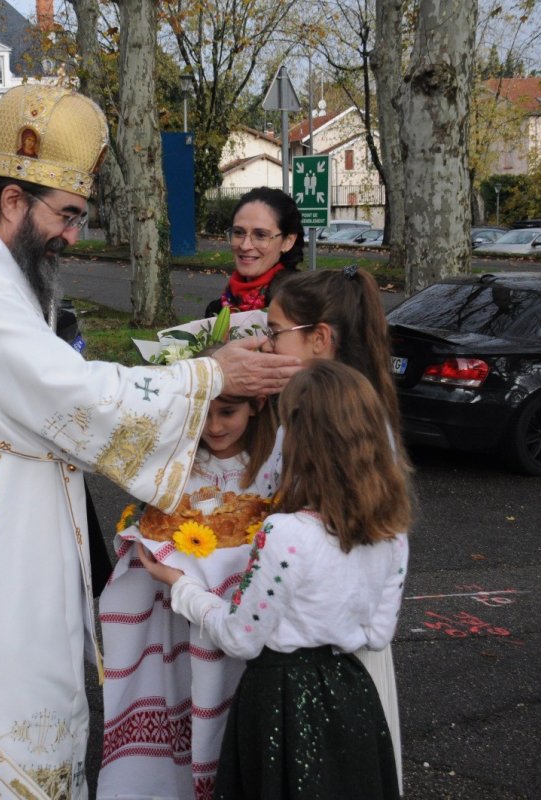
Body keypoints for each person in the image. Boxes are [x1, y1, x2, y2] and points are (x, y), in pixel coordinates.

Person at [0, 84, 303, 800]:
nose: (73, 237)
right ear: (14, 201)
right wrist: (207, 376)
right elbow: (70, 394)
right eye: (67, 216)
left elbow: (47, 385)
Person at [138, 360, 411, 799]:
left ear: (301, 441)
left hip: (280, 703)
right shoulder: (392, 534)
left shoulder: (286, 534)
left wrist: (181, 585)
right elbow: (377, 634)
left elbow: (240, 638)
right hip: (351, 699)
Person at [261, 264, 411, 792]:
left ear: (319, 339)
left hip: (326, 650)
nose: (267, 343)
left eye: (276, 331)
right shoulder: (348, 409)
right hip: (349, 634)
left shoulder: (326, 424)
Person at [97, 374, 281, 799]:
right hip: (178, 617)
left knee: (229, 709)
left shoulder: (272, 464)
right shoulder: (176, 466)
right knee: (181, 697)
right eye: (204, 414)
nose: (214, 426)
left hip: (243, 613)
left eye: (227, 412)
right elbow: (148, 528)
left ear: (255, 407)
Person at [204, 187, 306, 318]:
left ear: (288, 241)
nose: (245, 246)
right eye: (238, 232)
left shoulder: (300, 307)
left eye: (261, 235)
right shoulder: (217, 310)